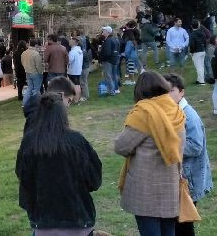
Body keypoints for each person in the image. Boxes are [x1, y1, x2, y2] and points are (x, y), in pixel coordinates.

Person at [16, 92, 102, 235]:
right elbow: (94, 179)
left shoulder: (30, 142)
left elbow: (23, 177)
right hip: (77, 220)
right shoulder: (76, 141)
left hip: (44, 221)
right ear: (63, 114)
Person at [114, 71, 186, 236]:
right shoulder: (175, 109)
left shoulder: (144, 112)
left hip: (146, 189)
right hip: (170, 183)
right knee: (168, 231)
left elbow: (121, 146)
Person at [164, 74, 212, 236]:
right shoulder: (172, 112)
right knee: (177, 224)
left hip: (188, 179)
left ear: (182, 92)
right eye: (164, 91)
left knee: (183, 224)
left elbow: (196, 146)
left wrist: (168, 147)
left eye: (171, 91)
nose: (167, 95)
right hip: (180, 178)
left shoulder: (188, 115)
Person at [21, 39, 44, 107]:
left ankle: (24, 103)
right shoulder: (36, 54)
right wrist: (40, 73)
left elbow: (22, 62)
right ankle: (35, 104)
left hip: (27, 72)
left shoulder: (24, 53)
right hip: (35, 73)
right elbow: (38, 65)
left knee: (29, 88)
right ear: (36, 45)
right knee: (36, 90)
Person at [98, 27, 121, 95]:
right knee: (114, 75)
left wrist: (101, 55)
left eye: (104, 31)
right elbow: (117, 49)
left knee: (108, 76)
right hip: (114, 59)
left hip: (108, 60)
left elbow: (107, 53)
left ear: (107, 32)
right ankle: (116, 89)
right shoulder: (114, 39)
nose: (102, 32)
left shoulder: (108, 40)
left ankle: (111, 91)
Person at [188, 21, 207, 85]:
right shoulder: (202, 33)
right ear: (198, 26)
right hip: (202, 50)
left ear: (191, 26)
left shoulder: (192, 34)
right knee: (201, 66)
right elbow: (205, 42)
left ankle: (202, 81)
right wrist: (204, 48)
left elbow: (192, 44)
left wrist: (192, 52)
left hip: (196, 52)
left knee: (198, 67)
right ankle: (199, 80)